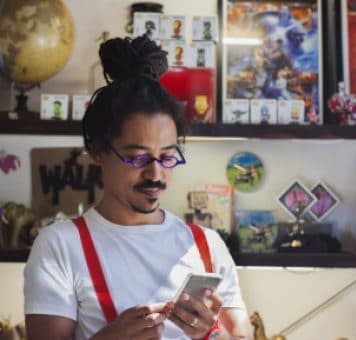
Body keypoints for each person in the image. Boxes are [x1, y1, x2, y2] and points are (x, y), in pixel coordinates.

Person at [24, 36, 252, 340]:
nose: (155, 173)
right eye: (137, 157)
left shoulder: (205, 245)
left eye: (168, 156)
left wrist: (211, 333)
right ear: (99, 152)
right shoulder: (61, 246)